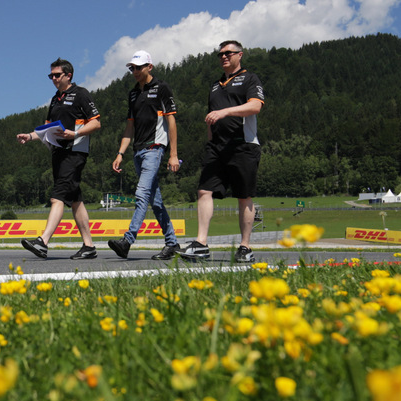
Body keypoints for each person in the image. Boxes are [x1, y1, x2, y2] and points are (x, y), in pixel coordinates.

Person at [175, 40, 264, 263]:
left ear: (240, 55)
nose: (223, 57)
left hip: (243, 144)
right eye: (220, 54)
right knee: (204, 190)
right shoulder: (215, 85)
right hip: (216, 147)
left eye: (228, 53)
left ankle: (244, 247)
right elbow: (210, 117)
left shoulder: (249, 78)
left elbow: (256, 106)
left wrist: (225, 112)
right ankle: (201, 243)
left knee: (244, 196)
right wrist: (210, 139)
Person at [16, 58, 101, 259]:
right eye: (51, 76)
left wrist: (74, 133)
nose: (53, 78)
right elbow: (46, 129)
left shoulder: (81, 94)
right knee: (75, 199)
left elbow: (96, 123)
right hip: (58, 153)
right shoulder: (55, 99)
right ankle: (88, 246)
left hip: (75, 152)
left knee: (58, 196)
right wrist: (29, 136)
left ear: (68, 75)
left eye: (57, 75)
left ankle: (43, 241)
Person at [107, 50, 180, 260]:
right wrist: (120, 153)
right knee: (155, 202)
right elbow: (129, 127)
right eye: (132, 68)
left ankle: (127, 240)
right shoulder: (132, 93)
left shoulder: (161, 88)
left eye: (139, 67)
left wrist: (173, 154)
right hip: (137, 151)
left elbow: (172, 121)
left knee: (141, 195)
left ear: (149, 67)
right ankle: (172, 243)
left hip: (155, 148)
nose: (135, 71)